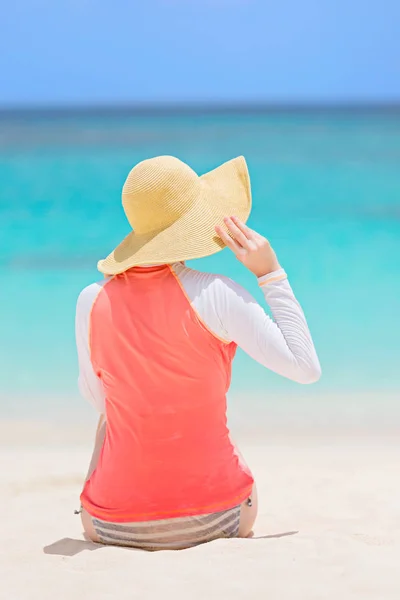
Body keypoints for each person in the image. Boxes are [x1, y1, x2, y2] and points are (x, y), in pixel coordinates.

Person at [75, 155, 321, 551]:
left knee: (111, 417)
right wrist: (270, 273)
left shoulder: (91, 300)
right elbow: (305, 368)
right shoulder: (216, 293)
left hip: (108, 525)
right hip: (221, 517)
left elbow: (98, 399)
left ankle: (116, 498)